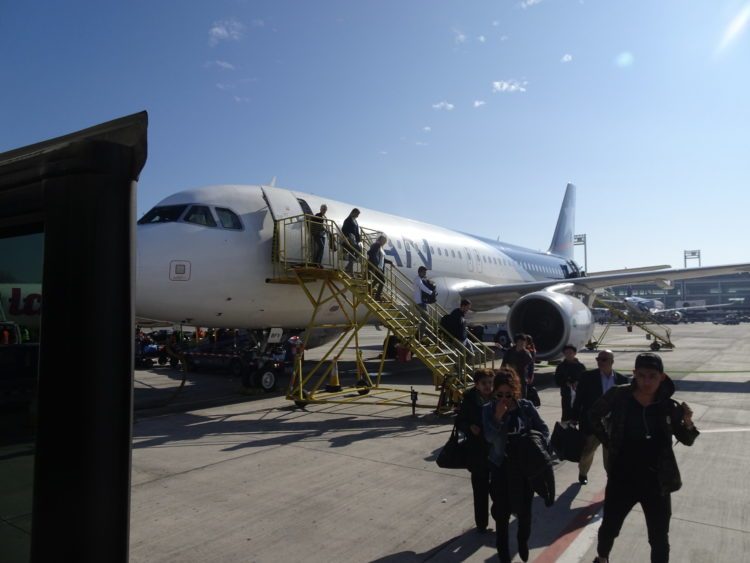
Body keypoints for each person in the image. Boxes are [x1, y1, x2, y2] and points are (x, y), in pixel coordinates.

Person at [590, 353, 699, 563]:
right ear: (634, 375)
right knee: (610, 527)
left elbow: (687, 439)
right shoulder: (618, 396)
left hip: (657, 481)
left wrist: (687, 422)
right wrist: (608, 441)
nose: (647, 382)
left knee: (659, 537)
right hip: (622, 477)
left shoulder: (669, 406)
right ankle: (602, 557)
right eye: (641, 376)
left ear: (662, 377)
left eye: (652, 376)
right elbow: (593, 415)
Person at [483, 368, 550, 563]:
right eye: (499, 394)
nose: (504, 398)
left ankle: (522, 541)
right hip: (500, 467)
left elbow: (543, 429)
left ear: (515, 392)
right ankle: (503, 552)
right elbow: (489, 438)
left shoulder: (526, 407)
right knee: (502, 515)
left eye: (508, 394)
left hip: (524, 470)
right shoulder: (488, 409)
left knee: (525, 513)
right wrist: (497, 417)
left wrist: (539, 446)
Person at [571, 349, 629, 485]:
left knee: (610, 453)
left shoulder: (622, 380)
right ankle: (583, 473)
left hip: (612, 423)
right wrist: (574, 417)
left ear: (612, 362)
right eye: (598, 359)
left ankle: (611, 477)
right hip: (593, 422)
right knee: (587, 451)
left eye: (604, 359)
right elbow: (578, 399)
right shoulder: (587, 376)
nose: (600, 362)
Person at [454, 368, 494, 533]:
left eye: (490, 383)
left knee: (499, 489)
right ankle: (482, 523)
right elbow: (460, 421)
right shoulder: (470, 400)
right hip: (477, 451)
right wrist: (470, 427)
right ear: (477, 384)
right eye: (484, 383)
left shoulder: (499, 397)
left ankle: (500, 517)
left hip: (496, 450)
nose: (488, 386)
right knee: (480, 490)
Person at [554, 344, 587, 422]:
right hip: (566, 394)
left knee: (579, 414)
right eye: (566, 353)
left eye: (570, 353)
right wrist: (565, 383)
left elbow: (585, 379)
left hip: (578, 395)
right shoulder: (561, 366)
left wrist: (578, 382)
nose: (568, 355)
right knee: (566, 415)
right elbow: (557, 380)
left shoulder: (580, 366)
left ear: (575, 353)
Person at [501, 334, 534, 399]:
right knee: (511, 396)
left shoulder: (527, 354)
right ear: (516, 342)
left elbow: (530, 366)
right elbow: (504, 364)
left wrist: (530, 376)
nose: (522, 344)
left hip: (522, 379)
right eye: (520, 342)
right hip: (510, 378)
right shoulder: (509, 352)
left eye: (523, 342)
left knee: (522, 398)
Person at [367, 234, 390, 300]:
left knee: (377, 279)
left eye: (385, 241)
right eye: (384, 241)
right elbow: (370, 253)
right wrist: (375, 264)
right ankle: (377, 296)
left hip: (379, 266)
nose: (384, 243)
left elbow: (382, 259)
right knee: (382, 281)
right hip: (376, 266)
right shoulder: (376, 245)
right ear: (381, 240)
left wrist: (390, 262)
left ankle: (369, 287)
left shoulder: (380, 247)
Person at [413, 266, 434, 339]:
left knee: (426, 319)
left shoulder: (422, 279)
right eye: (423, 272)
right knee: (426, 319)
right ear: (419, 272)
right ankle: (419, 335)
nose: (425, 273)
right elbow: (422, 287)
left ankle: (422, 333)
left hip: (423, 303)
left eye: (425, 272)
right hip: (419, 303)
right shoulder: (417, 280)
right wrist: (430, 292)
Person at [342, 208, 361, 274]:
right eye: (357, 214)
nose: (357, 216)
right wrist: (348, 236)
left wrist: (359, 241)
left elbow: (357, 232)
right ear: (353, 212)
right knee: (352, 253)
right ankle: (350, 270)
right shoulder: (347, 220)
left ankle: (348, 267)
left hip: (354, 241)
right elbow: (343, 229)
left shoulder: (355, 221)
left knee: (358, 251)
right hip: (349, 240)